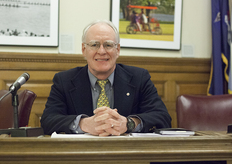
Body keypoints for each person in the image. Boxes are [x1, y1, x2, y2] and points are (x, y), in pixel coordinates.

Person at [41, 20, 171, 136]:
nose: (102, 51)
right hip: (79, 157)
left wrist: (128, 123)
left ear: (118, 50)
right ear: (83, 49)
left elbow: (163, 118)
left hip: (127, 155)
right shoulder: (64, 80)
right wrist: (84, 124)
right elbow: (48, 120)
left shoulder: (139, 78)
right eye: (94, 45)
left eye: (108, 45)